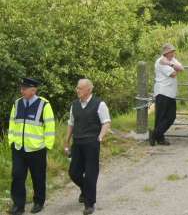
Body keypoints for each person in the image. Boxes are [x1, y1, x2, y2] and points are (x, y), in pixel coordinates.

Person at [8, 78, 55, 215]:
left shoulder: (44, 105)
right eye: (21, 88)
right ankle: (18, 205)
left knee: (38, 177)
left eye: (24, 88)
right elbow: (12, 123)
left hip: (37, 149)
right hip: (18, 148)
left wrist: (47, 146)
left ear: (33, 90)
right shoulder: (17, 104)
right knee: (17, 176)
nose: (21, 90)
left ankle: (39, 202)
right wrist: (11, 141)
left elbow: (50, 127)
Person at [64, 79, 111, 215]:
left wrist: (100, 137)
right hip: (77, 143)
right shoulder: (74, 105)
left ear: (88, 90)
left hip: (92, 143)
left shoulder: (99, 104)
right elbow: (71, 123)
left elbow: (106, 122)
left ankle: (89, 203)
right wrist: (66, 140)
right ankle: (86, 190)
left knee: (91, 173)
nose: (77, 90)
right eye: (77, 88)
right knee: (74, 172)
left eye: (80, 88)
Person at [150, 44, 184, 146]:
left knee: (171, 116)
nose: (173, 53)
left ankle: (155, 134)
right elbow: (173, 74)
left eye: (173, 51)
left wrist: (171, 64)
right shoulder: (160, 61)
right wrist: (173, 66)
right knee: (162, 117)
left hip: (170, 93)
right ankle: (159, 137)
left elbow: (181, 68)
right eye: (171, 51)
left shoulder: (171, 60)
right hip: (162, 92)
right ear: (166, 53)